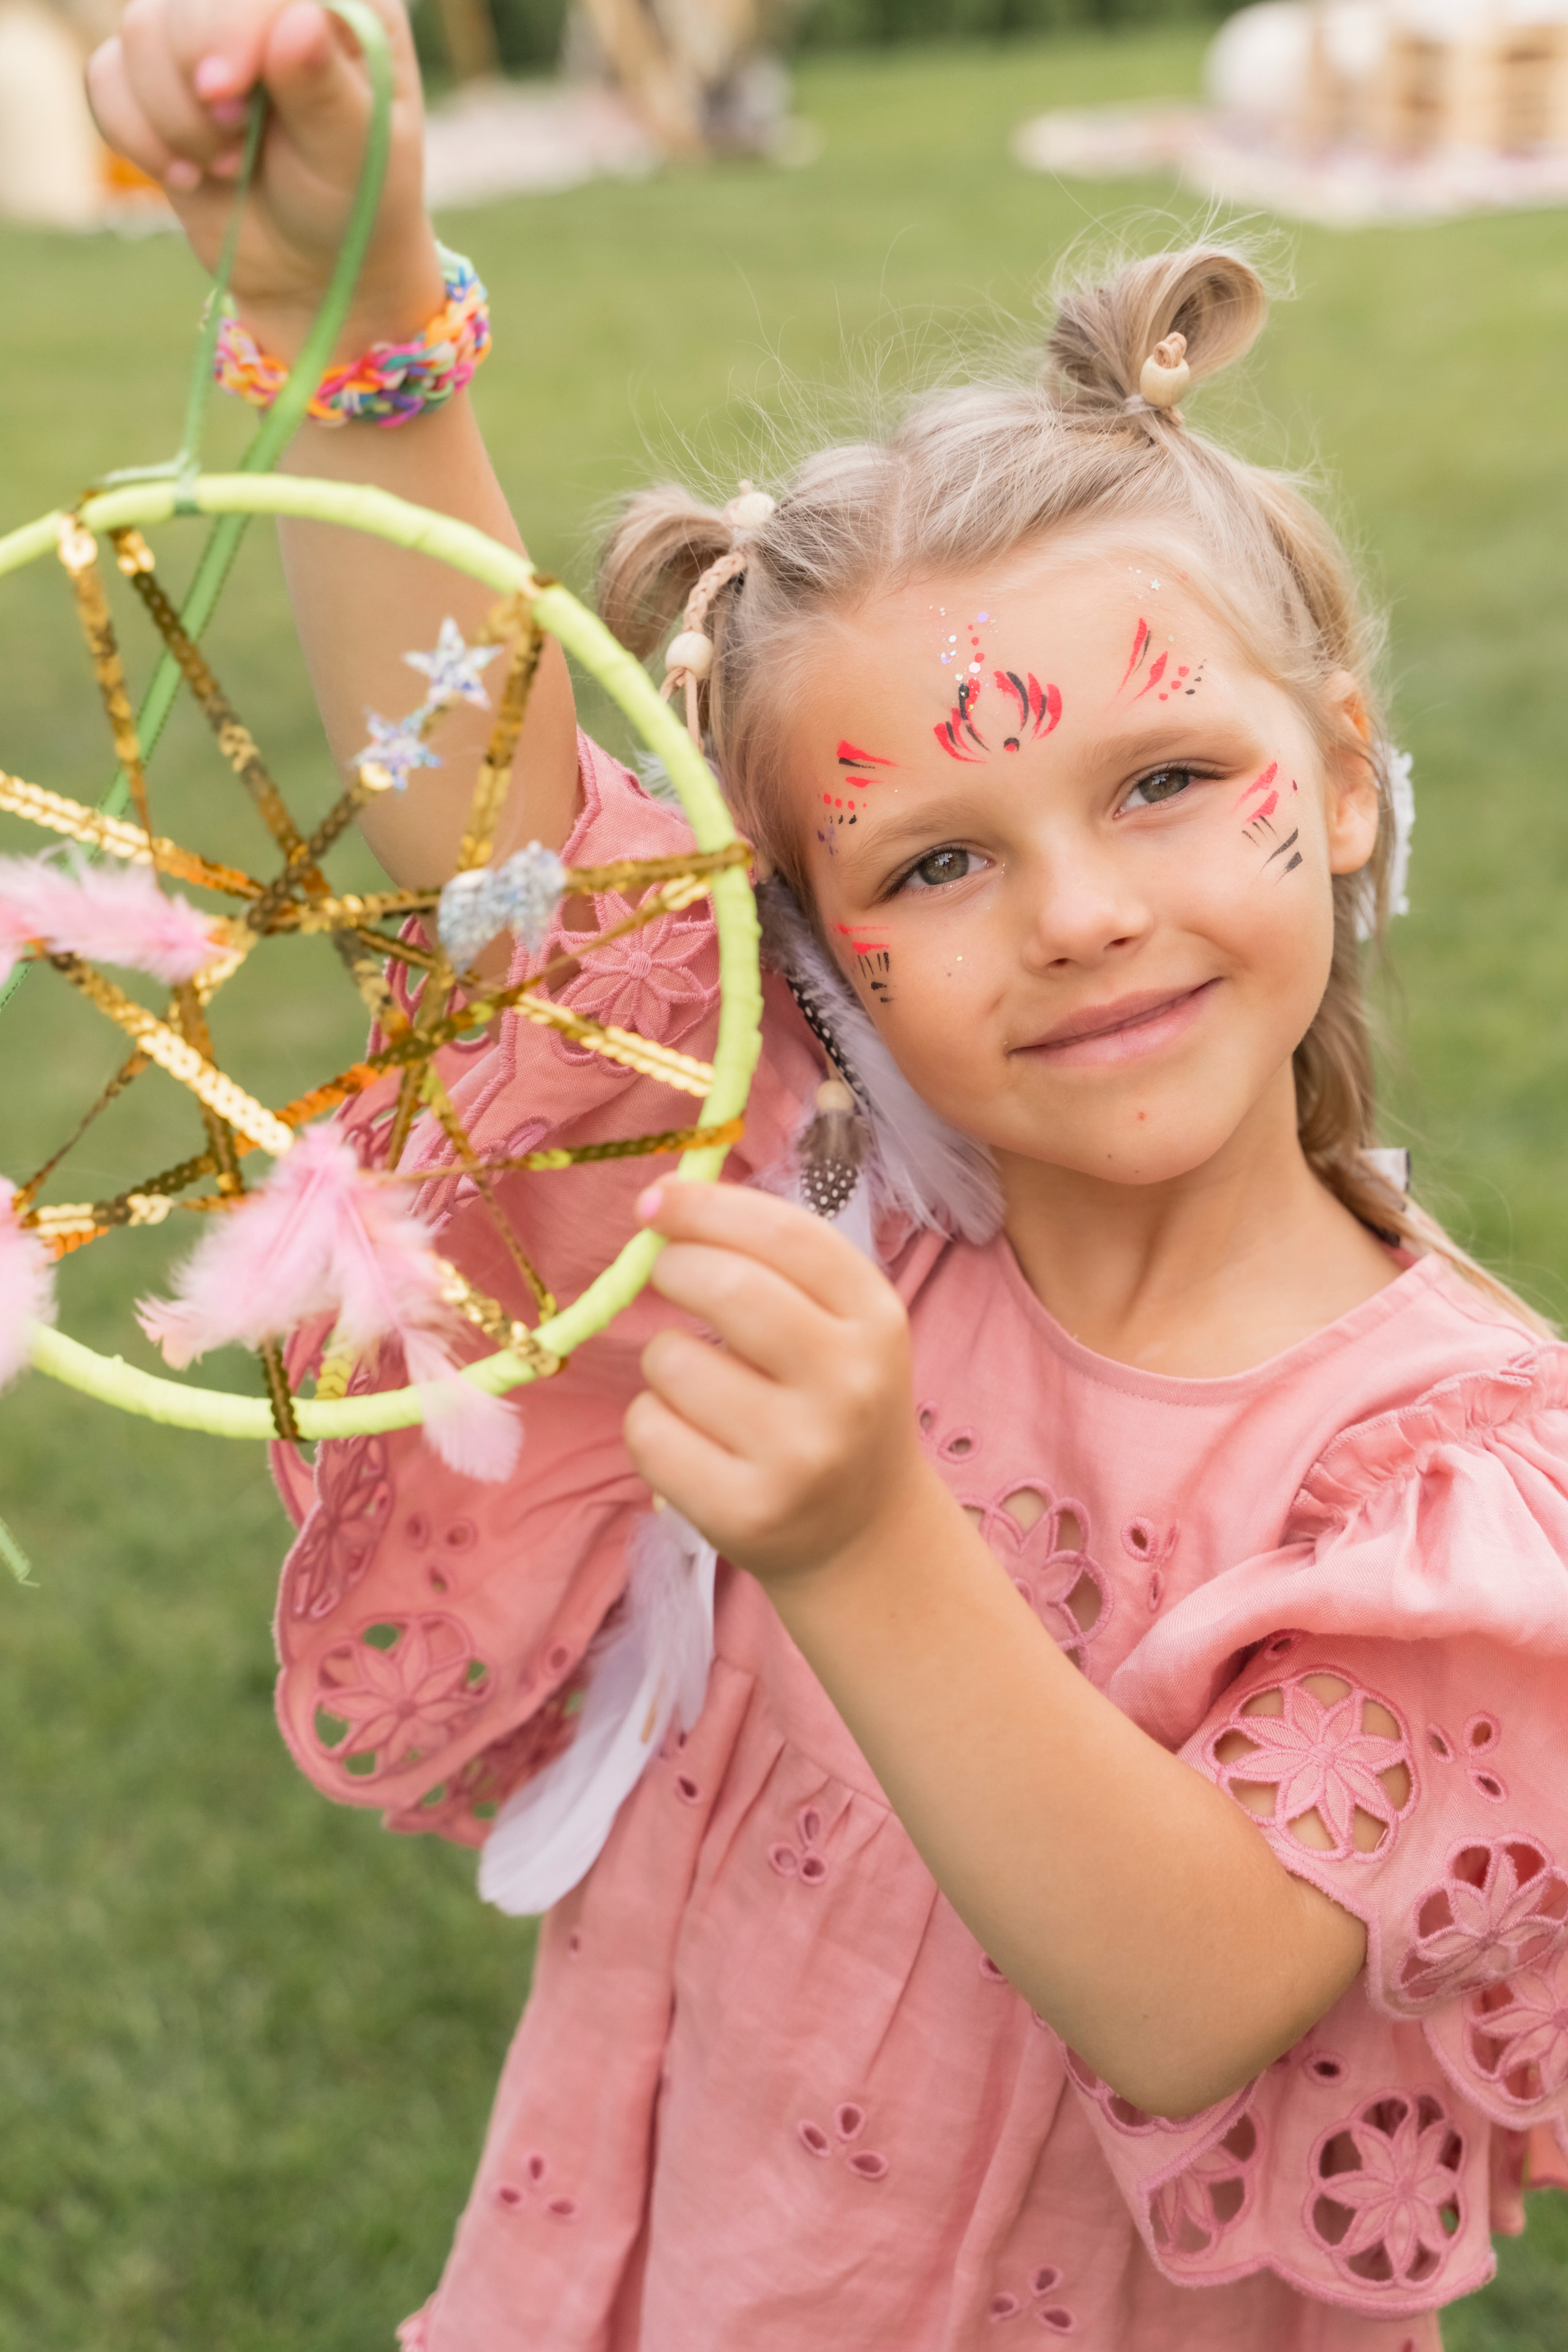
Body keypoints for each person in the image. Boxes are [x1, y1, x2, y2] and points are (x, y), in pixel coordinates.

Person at [89, 6, 1568, 2346]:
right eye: (942, 855)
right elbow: (488, 841)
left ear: (1350, 772)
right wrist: (345, 311)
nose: (1079, 911)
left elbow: (1192, 1996)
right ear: (810, 935)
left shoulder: (1454, 1488)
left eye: (1168, 779)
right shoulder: (803, 1195)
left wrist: (870, 1536)